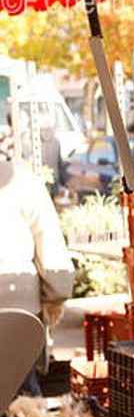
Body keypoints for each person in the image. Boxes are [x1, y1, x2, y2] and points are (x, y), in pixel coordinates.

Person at [0, 142, 74, 396]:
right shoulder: (22, 181)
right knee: (22, 398)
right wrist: (56, 295)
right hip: (19, 314)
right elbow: (49, 243)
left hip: (18, 312)